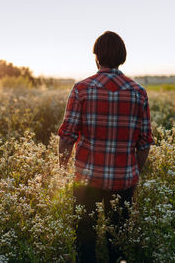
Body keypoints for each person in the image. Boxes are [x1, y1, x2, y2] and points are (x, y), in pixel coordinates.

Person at [58, 31, 153, 263]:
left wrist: (61, 168)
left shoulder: (82, 88)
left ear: (96, 57)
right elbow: (144, 143)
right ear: (123, 57)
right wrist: (134, 172)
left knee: (84, 239)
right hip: (123, 180)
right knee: (118, 242)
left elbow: (67, 136)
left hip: (86, 180)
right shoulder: (138, 92)